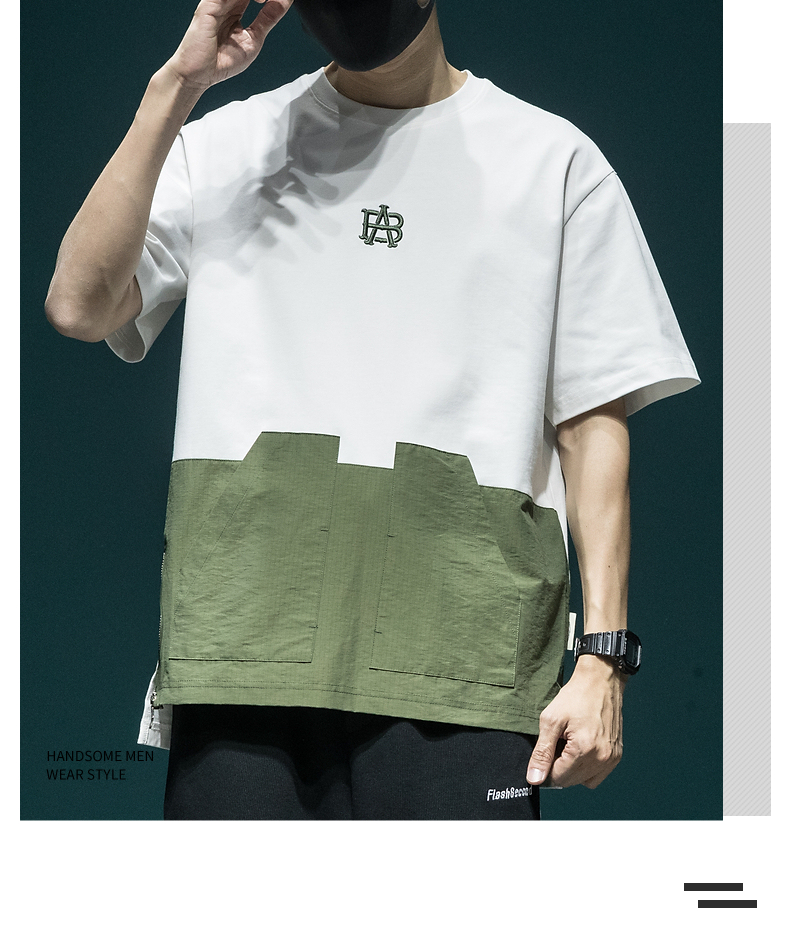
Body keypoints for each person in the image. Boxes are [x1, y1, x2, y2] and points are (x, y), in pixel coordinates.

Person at [45, 0, 699, 820]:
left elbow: (592, 424)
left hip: (466, 664)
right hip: (245, 649)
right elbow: (79, 305)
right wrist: (176, 85)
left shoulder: (552, 162)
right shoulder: (226, 146)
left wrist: (603, 660)